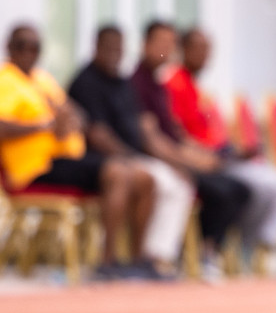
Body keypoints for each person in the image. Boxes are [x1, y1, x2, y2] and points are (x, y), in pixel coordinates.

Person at [0, 25, 165, 278]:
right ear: (9, 47)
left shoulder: (42, 79)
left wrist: (69, 120)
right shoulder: (5, 79)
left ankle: (136, 259)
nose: (29, 52)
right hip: (34, 166)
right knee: (118, 172)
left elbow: (75, 112)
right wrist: (41, 126)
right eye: (23, 45)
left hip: (65, 159)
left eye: (36, 46)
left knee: (144, 177)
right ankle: (106, 262)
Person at [67, 26, 198, 275]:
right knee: (145, 177)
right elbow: (97, 135)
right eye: (109, 48)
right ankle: (108, 260)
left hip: (132, 156)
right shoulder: (86, 81)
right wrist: (132, 156)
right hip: (101, 159)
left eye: (119, 48)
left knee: (152, 178)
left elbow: (143, 126)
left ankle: (141, 260)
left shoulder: (123, 83)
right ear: (96, 47)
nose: (115, 54)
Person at [164, 27, 276, 258]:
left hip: (224, 156)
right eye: (199, 49)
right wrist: (210, 154)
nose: (205, 56)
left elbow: (214, 134)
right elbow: (179, 135)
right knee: (255, 191)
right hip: (205, 161)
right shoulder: (175, 84)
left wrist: (237, 150)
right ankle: (243, 248)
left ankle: (259, 244)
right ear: (183, 50)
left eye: (208, 50)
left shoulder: (196, 87)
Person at [129, 22, 255, 260]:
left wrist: (204, 157)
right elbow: (152, 140)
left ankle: (205, 252)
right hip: (155, 159)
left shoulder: (159, 86)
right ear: (144, 44)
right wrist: (189, 162)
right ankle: (160, 258)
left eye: (170, 44)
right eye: (160, 43)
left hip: (178, 156)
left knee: (237, 189)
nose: (165, 50)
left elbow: (176, 136)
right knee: (195, 188)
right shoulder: (141, 84)